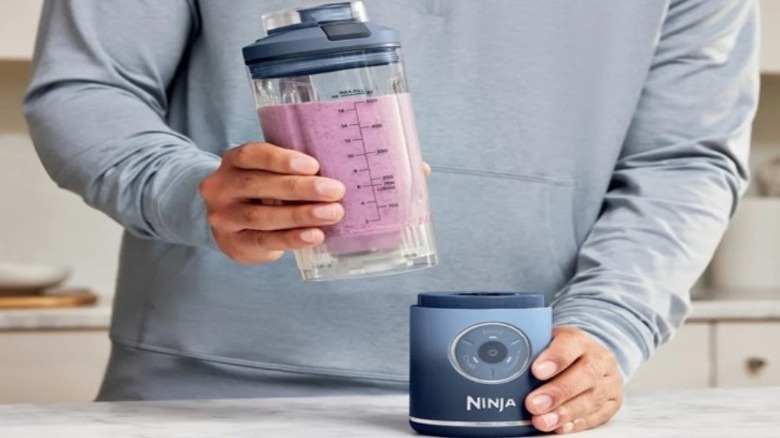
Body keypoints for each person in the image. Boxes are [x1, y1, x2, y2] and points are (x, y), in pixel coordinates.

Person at [24, 0, 758, 434]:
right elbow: (86, 87)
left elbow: (683, 158)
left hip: (512, 401)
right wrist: (190, 189)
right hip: (205, 399)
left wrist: (606, 327)